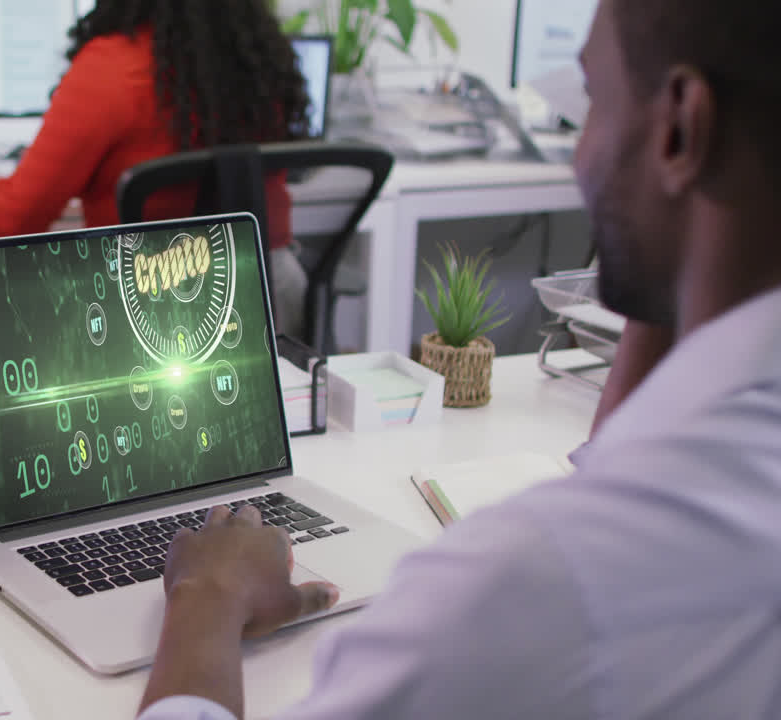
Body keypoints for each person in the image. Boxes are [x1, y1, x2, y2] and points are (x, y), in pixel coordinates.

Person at [137, 0, 781, 717]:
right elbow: (626, 471)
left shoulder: (527, 588)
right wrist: (679, 270)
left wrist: (207, 595)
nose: (580, 154)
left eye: (594, 98)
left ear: (680, 129)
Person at [0, 0, 315, 339]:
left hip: (146, 311)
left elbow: (15, 220)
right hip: (271, 295)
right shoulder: (260, 62)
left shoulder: (110, 68)